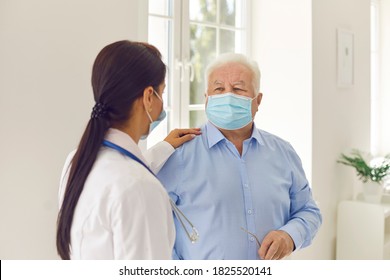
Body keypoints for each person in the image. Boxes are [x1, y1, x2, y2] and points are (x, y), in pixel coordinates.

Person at [157, 53, 322, 260]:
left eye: (238, 89)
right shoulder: (179, 155)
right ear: (206, 99)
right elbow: (155, 229)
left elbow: (309, 210)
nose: (228, 96)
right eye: (218, 89)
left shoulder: (283, 153)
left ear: (258, 100)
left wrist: (289, 236)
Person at [56, 40, 200, 260]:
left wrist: (164, 147)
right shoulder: (140, 187)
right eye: (162, 92)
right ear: (148, 97)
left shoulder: (76, 161)